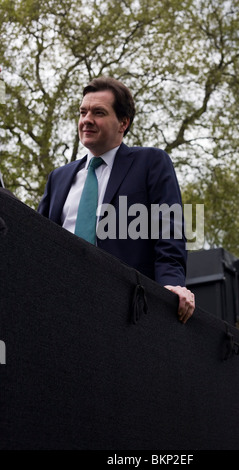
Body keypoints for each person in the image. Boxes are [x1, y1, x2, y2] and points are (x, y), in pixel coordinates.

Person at [37, 76, 195, 323]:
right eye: (83, 112)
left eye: (98, 112)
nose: (87, 120)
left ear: (123, 123)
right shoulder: (58, 178)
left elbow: (169, 232)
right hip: (61, 305)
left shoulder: (150, 163)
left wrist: (171, 286)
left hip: (125, 310)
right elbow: (40, 242)